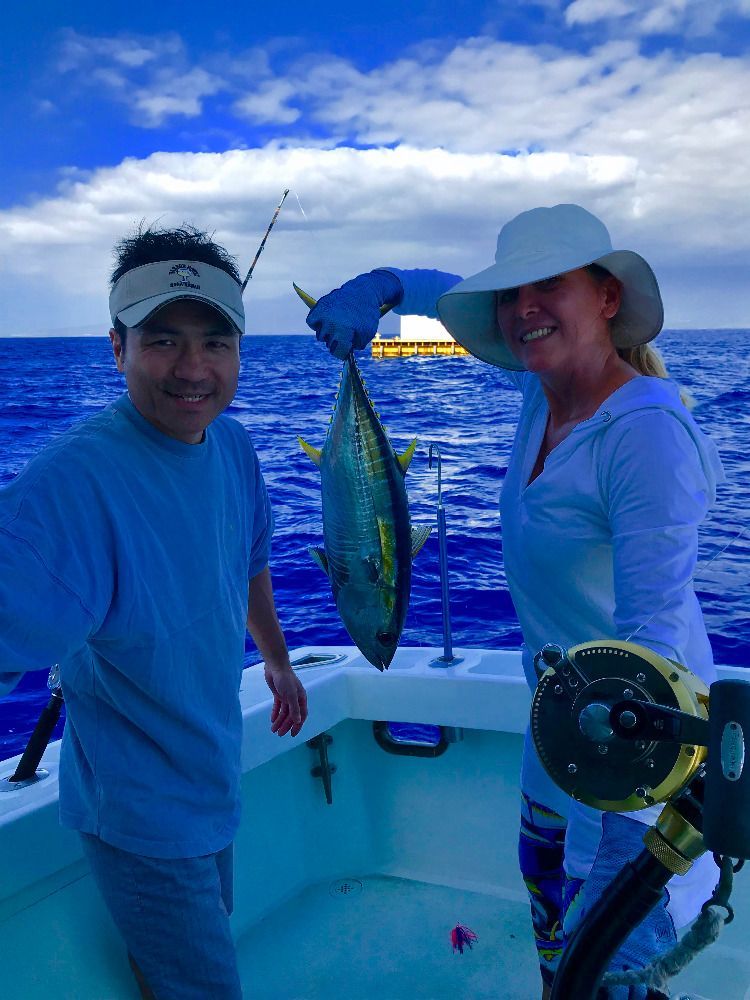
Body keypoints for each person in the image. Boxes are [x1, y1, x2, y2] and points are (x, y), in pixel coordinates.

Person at [304, 203, 724, 1000]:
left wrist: (626, 856)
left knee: (609, 980)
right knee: (551, 948)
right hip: (556, 732)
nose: (522, 311)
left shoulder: (645, 435)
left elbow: (655, 649)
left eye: (549, 287)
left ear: (606, 297)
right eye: (511, 294)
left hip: (633, 760)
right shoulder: (546, 387)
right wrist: (382, 287)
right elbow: (448, 292)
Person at [0, 224, 308, 999]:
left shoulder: (231, 446)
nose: (194, 368)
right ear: (117, 348)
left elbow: (249, 562)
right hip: (141, 812)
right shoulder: (73, 485)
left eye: (215, 340)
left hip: (210, 774)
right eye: (163, 340)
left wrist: (274, 658)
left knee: (177, 969)